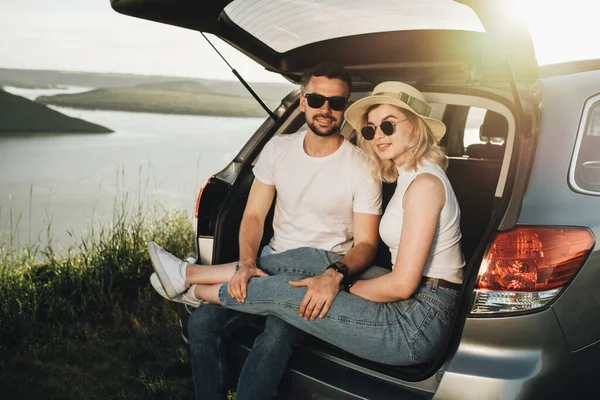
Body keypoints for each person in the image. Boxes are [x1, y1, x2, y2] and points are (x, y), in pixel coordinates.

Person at [150, 80, 465, 366]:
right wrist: (329, 276)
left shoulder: (425, 185)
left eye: (388, 125)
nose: (378, 135)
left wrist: (341, 284)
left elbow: (402, 284)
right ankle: (189, 273)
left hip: (417, 325)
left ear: (418, 125)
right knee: (308, 259)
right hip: (415, 300)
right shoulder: (411, 175)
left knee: (300, 292)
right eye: (370, 130)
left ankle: (194, 293)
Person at [163, 63, 382, 400]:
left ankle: (190, 277)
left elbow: (367, 243)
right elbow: (253, 215)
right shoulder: (278, 149)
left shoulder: (362, 166)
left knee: (276, 338)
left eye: (336, 103)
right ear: (303, 102)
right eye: (317, 99)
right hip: (269, 264)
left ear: (345, 108)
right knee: (202, 324)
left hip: (318, 274)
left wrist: (334, 275)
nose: (326, 109)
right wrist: (247, 263)